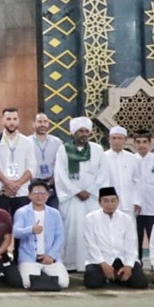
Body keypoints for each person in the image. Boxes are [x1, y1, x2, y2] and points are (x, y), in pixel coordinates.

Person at [54, 116, 106, 272]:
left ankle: (93, 262)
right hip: (71, 198)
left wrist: (89, 191)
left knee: (93, 230)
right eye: (80, 131)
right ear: (73, 132)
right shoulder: (63, 150)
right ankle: (71, 263)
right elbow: (60, 174)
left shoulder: (97, 149)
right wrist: (76, 191)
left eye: (86, 131)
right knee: (71, 231)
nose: (84, 134)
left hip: (92, 198)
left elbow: (102, 174)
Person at [83, 186, 147, 289]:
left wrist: (129, 265)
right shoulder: (91, 218)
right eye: (106, 201)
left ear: (118, 201)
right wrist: (103, 264)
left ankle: (114, 277)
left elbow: (131, 244)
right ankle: (114, 277)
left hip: (122, 259)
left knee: (140, 283)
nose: (110, 204)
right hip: (100, 260)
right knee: (92, 283)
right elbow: (91, 244)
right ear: (100, 202)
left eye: (113, 200)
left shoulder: (126, 219)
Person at [13, 180, 69, 290]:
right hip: (29, 258)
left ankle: (43, 276)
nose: (39, 196)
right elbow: (16, 232)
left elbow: (60, 237)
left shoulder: (55, 213)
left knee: (63, 283)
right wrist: (31, 230)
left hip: (50, 258)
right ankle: (42, 276)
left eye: (43, 193)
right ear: (29, 195)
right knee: (28, 283)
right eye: (36, 193)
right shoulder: (22, 212)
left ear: (48, 195)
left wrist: (51, 255)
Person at [0, 109, 37, 217]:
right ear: (2, 120)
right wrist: (7, 183)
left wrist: (17, 184)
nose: (12, 122)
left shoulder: (27, 141)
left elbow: (32, 167)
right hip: (1, 189)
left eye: (14, 119)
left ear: (18, 120)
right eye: (8, 119)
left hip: (22, 191)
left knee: (21, 222)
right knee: (1, 222)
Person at [133, 130, 154, 262]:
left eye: (144, 142)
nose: (141, 145)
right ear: (134, 144)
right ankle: (137, 263)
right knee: (135, 238)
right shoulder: (131, 160)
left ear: (150, 143)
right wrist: (134, 202)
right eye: (138, 142)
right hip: (136, 208)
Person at [103, 126, 140, 219]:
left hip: (128, 203)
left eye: (120, 138)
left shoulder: (132, 158)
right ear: (109, 139)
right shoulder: (103, 157)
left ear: (125, 140)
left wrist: (137, 201)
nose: (116, 141)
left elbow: (137, 181)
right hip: (109, 204)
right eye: (114, 138)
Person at [31, 113, 60, 209]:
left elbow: (60, 164)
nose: (42, 124)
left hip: (51, 184)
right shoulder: (27, 142)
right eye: (39, 121)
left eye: (45, 122)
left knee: (53, 212)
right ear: (33, 124)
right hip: (33, 183)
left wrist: (53, 179)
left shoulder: (57, 142)